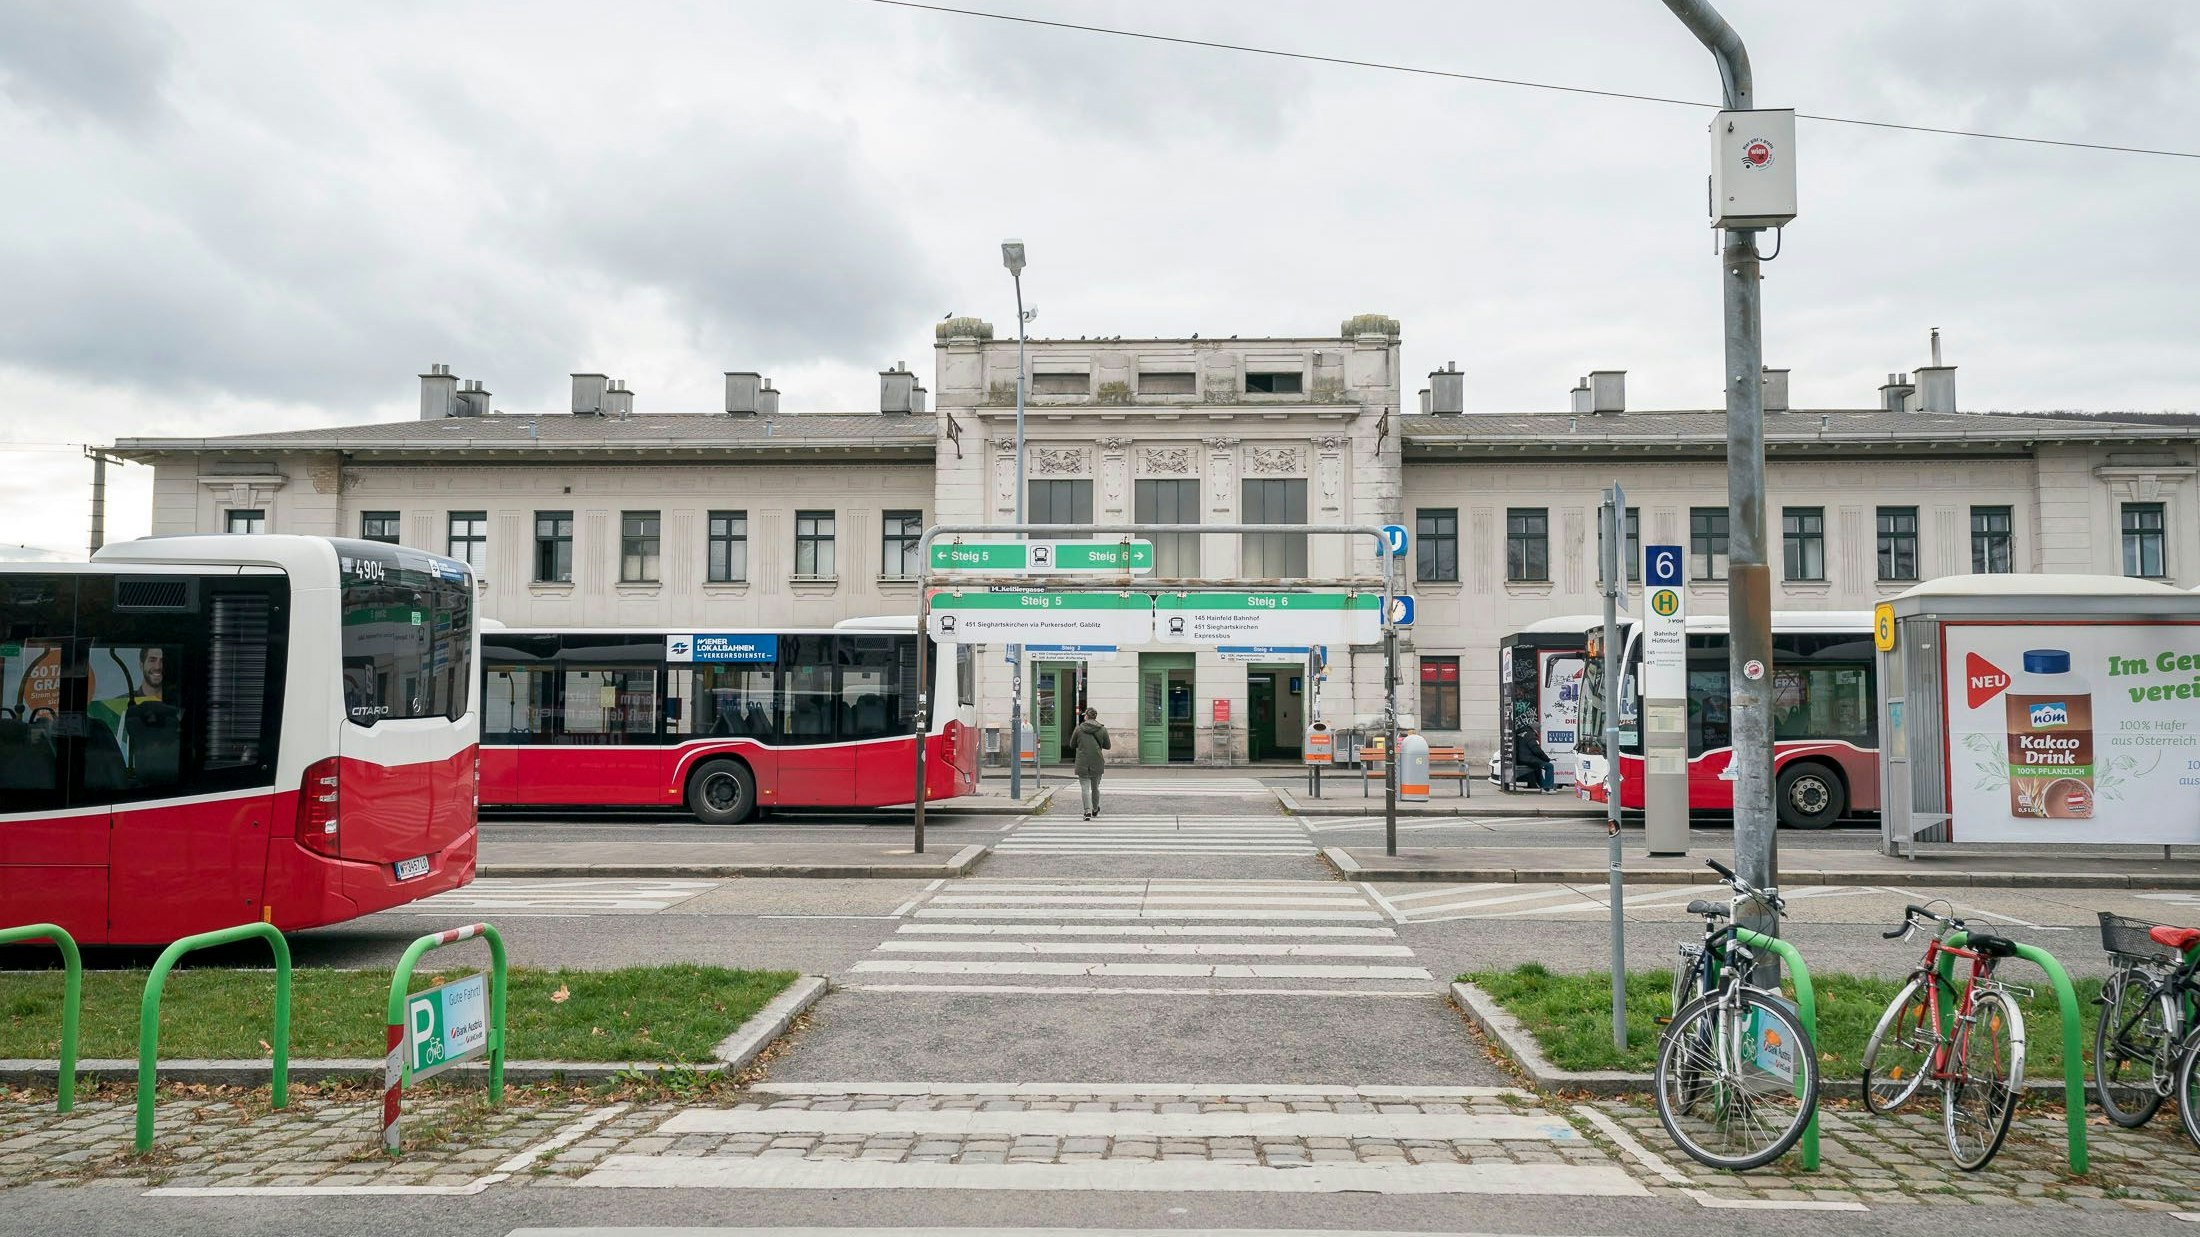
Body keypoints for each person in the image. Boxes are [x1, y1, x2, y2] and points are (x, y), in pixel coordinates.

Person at [1069, 706, 1111, 820]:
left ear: (1086, 716)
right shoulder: (1102, 729)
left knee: (1084, 787)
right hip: (1097, 760)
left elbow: (1072, 745)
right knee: (1095, 787)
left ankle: (1087, 811)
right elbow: (1108, 746)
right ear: (1095, 716)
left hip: (1082, 761)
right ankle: (1095, 809)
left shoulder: (1079, 729)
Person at [1513, 722, 1557, 794]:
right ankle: (1547, 788)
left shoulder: (1520, 733)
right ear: (1536, 729)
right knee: (1549, 766)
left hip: (1519, 759)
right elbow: (1536, 750)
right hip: (1527, 759)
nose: (1539, 731)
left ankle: (1543, 786)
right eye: (1539, 729)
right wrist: (1547, 759)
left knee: (1537, 767)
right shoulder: (1530, 735)